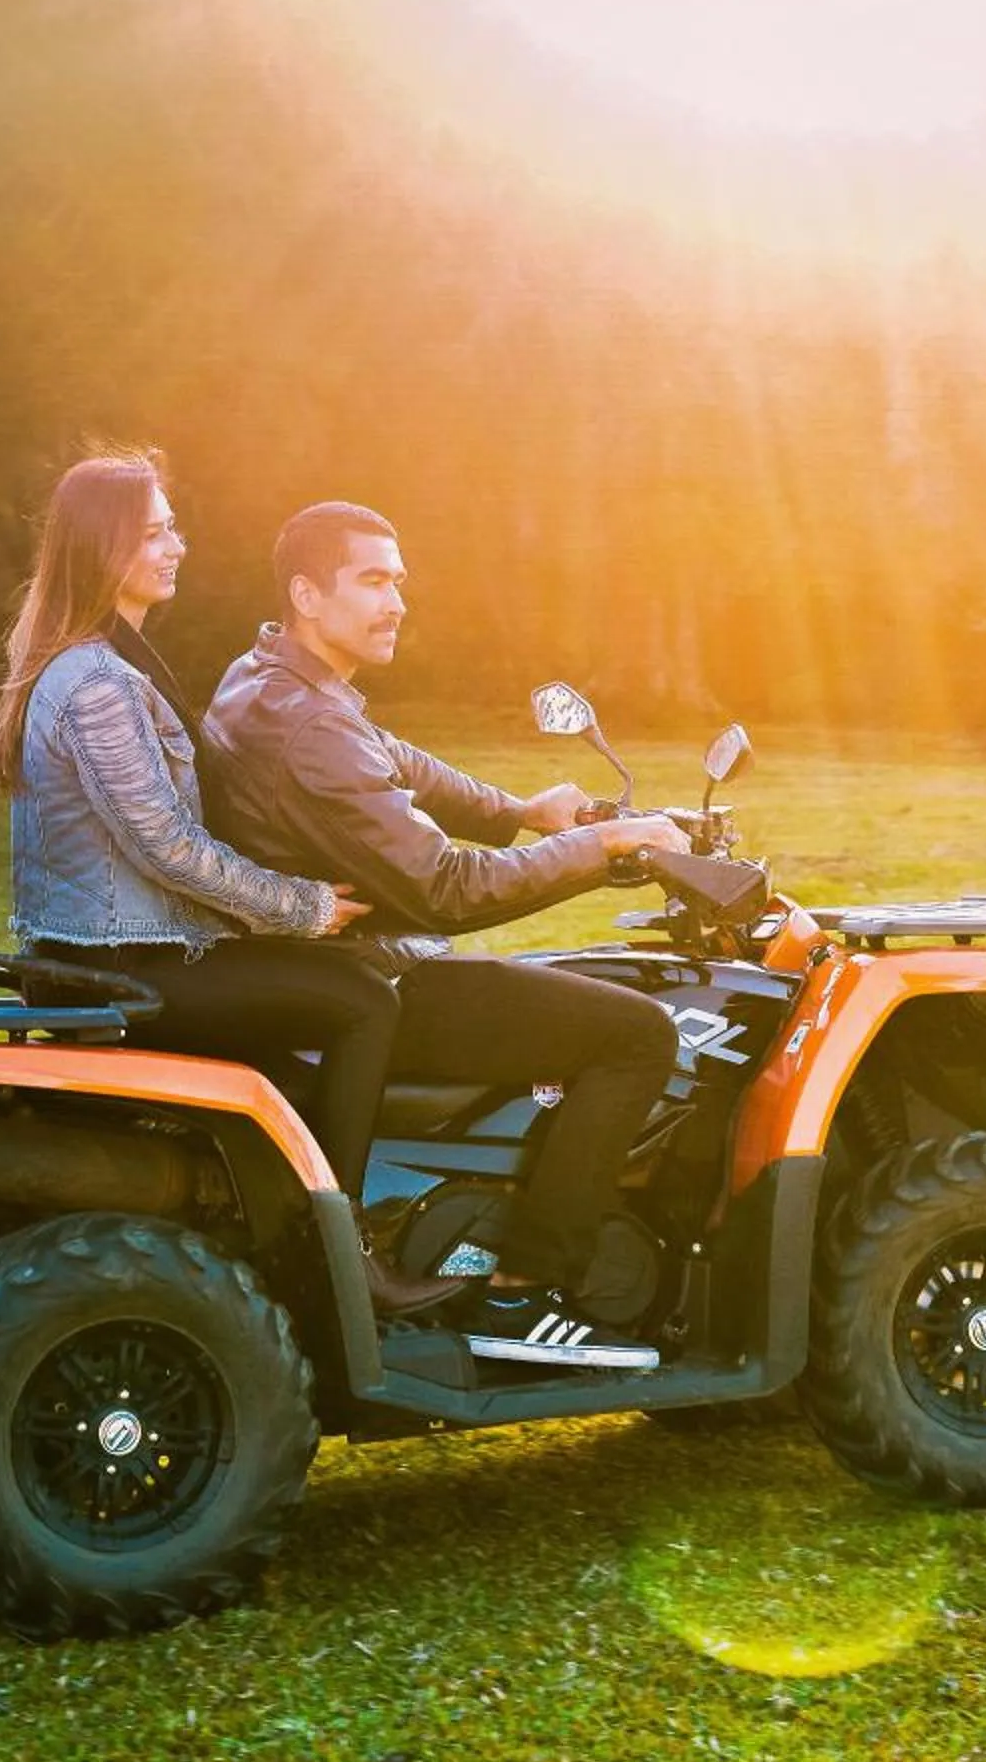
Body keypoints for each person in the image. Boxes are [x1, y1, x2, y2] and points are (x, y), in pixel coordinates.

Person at [203, 500, 691, 1371]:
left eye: (400, 582)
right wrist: (601, 842)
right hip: (366, 975)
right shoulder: (310, 724)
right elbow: (446, 890)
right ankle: (530, 1290)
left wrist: (520, 813)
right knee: (639, 1033)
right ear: (308, 594)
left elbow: (388, 757)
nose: (396, 602)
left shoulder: (267, 676)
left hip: (326, 963)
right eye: (374, 581)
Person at [0, 449, 465, 1319]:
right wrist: (306, 908)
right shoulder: (96, 681)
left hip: (110, 948)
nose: (180, 545)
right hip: (131, 962)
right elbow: (168, 847)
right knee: (363, 1003)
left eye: (175, 527)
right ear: (106, 547)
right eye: (158, 530)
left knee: (306, 1030)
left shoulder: (90, 662)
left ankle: (269, 1222)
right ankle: (336, 1251)